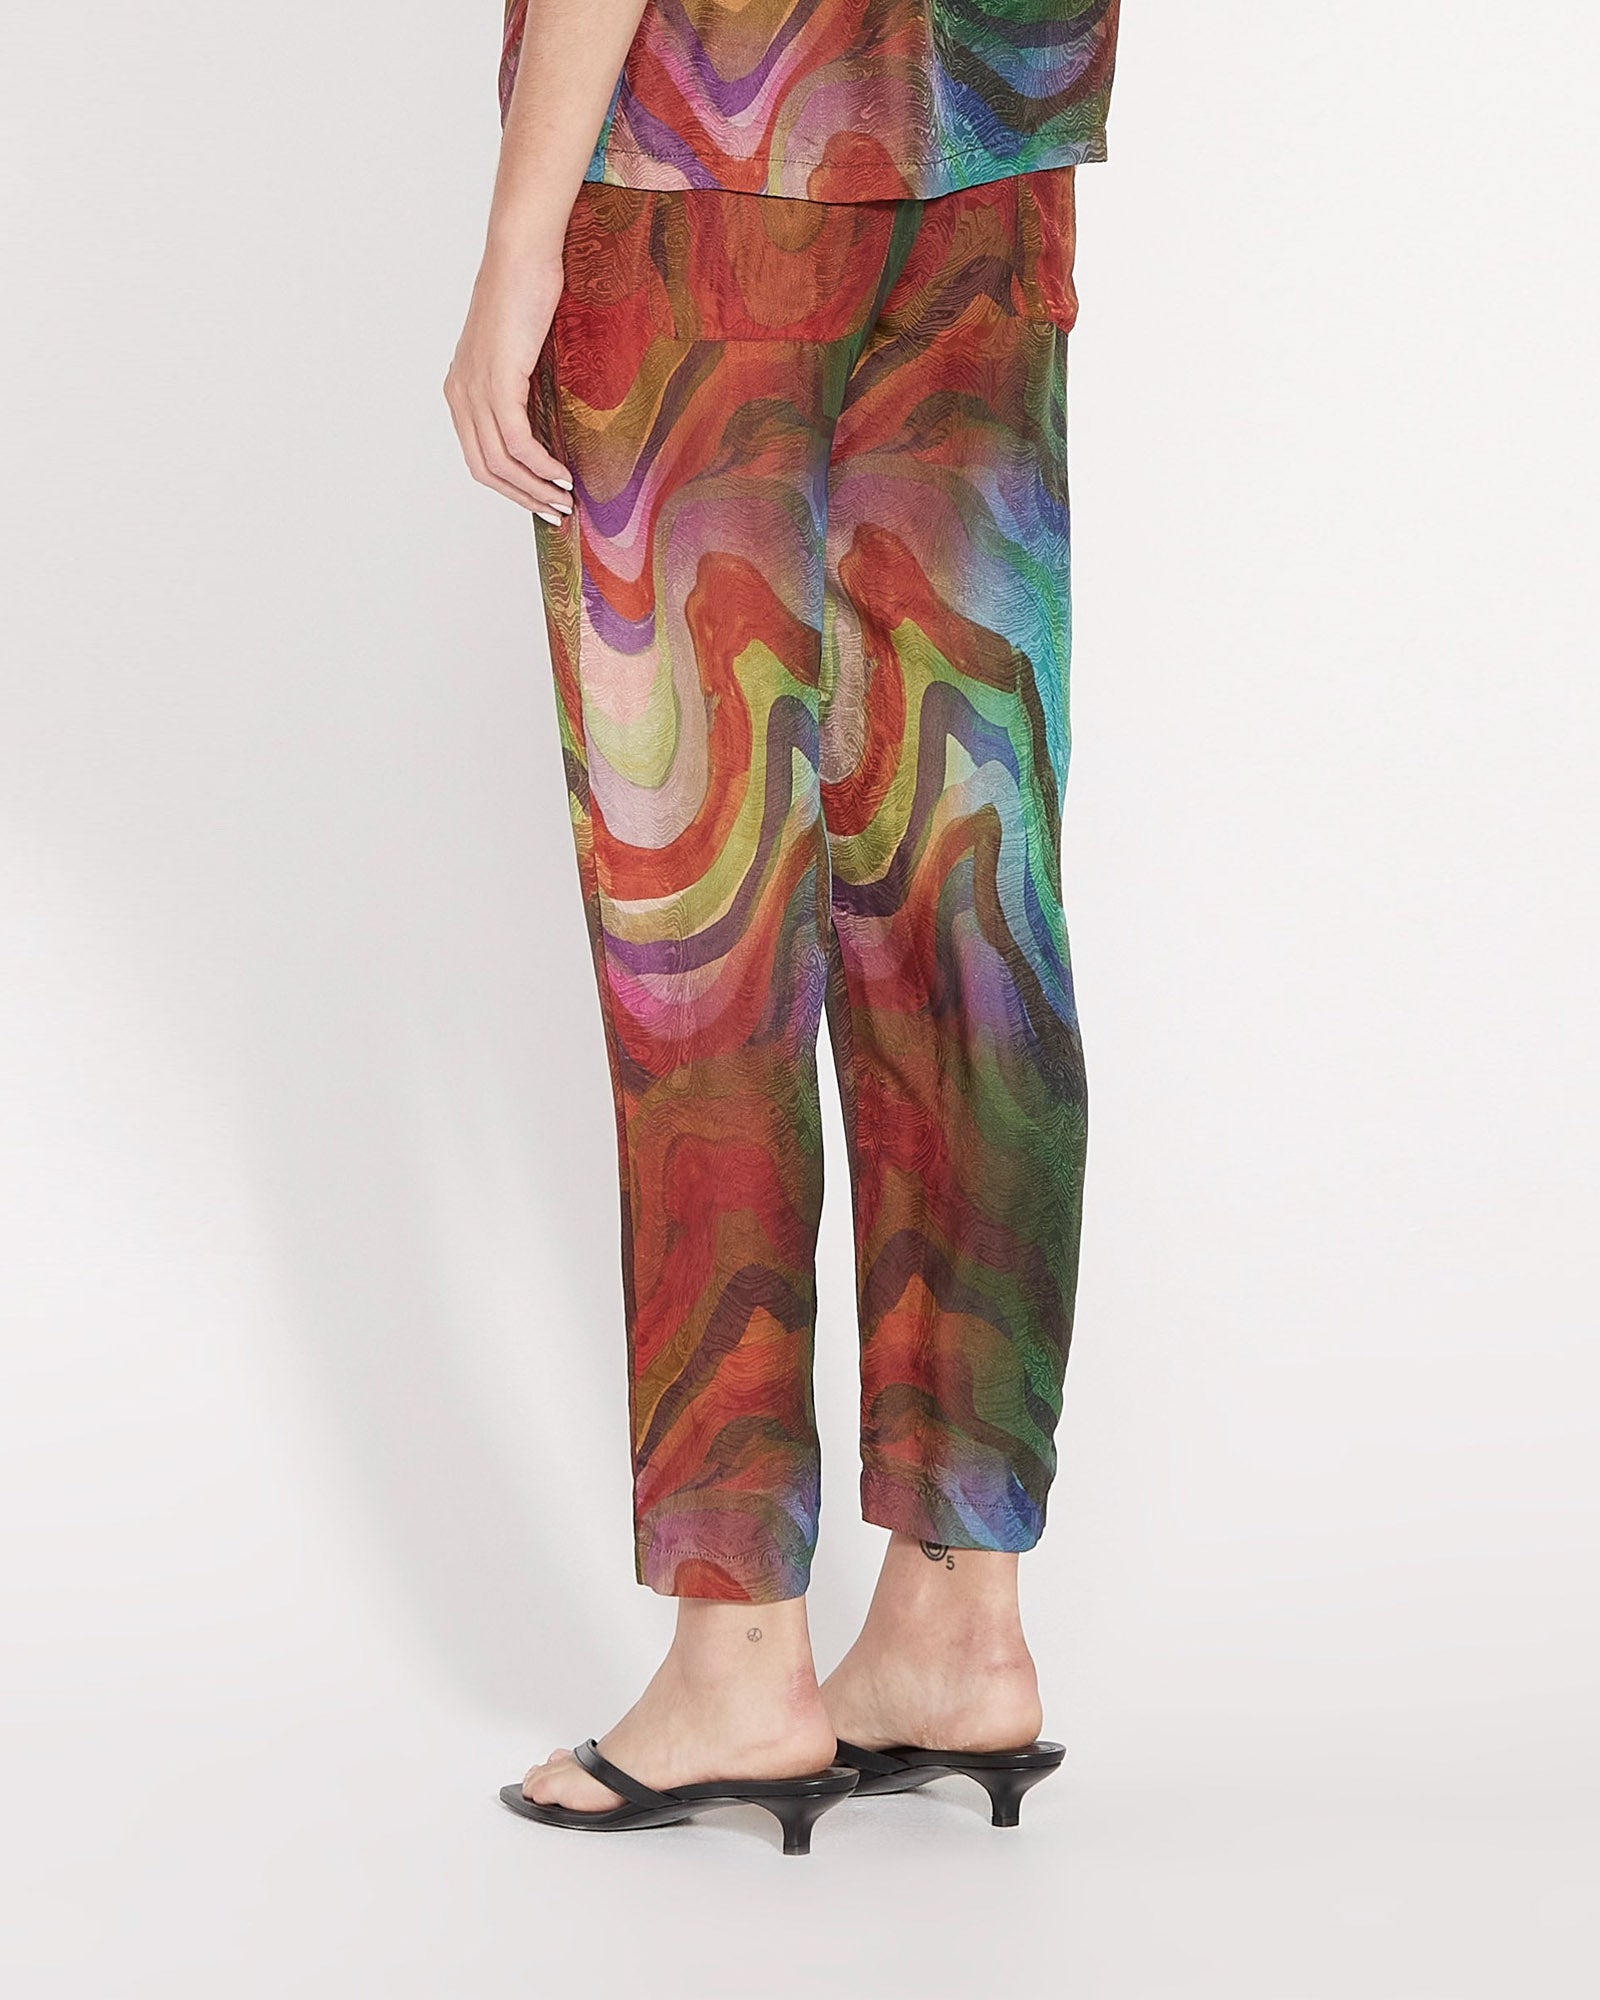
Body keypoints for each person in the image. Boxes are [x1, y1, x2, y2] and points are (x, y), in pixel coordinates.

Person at [445, 0, 1120, 1854]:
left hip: (700, 168)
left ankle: (739, 1657)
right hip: (991, 152)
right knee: (967, 893)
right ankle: (960, 1629)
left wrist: (520, 234)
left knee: (705, 916)